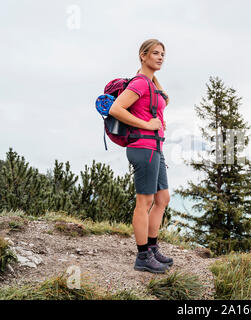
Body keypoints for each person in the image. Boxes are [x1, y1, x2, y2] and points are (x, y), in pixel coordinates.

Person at [109, 39, 172, 273]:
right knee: (144, 202)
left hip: (156, 148)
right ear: (142, 56)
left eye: (163, 54)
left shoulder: (149, 83)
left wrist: (153, 80)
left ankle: (153, 247)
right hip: (143, 147)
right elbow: (116, 109)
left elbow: (164, 98)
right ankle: (143, 256)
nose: (160, 57)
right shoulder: (140, 83)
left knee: (162, 199)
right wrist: (147, 123)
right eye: (155, 53)